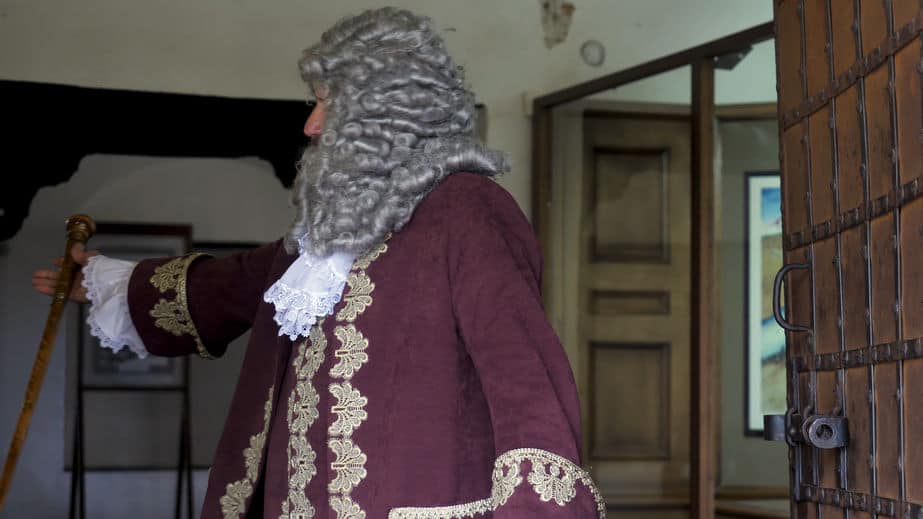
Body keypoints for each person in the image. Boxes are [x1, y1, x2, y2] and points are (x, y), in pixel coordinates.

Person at [32, 7, 605, 518]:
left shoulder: (467, 209)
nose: (311, 125)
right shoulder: (325, 234)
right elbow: (231, 286)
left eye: (329, 104)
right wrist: (105, 281)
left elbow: (525, 376)